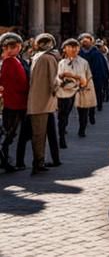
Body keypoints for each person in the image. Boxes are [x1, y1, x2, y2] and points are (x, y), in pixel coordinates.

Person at [24, 33, 61, 174]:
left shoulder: (37, 57)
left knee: (38, 134)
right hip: (43, 102)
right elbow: (54, 81)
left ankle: (39, 161)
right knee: (39, 135)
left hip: (36, 101)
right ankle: (38, 163)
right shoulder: (48, 58)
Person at [0, 33, 28, 173]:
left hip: (17, 103)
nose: (11, 49)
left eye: (14, 46)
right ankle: (5, 161)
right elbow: (18, 84)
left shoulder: (15, 60)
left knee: (11, 134)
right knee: (9, 134)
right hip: (13, 104)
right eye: (7, 47)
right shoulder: (9, 62)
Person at [56, 38, 92, 144]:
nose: (74, 49)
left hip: (81, 90)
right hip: (65, 92)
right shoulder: (61, 62)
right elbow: (57, 77)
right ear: (65, 49)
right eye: (71, 47)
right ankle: (62, 136)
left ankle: (82, 130)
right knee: (63, 115)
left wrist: (81, 81)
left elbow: (88, 76)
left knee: (83, 113)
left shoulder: (83, 62)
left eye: (76, 47)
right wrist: (63, 79)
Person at [77, 32, 109, 117]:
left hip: (95, 80)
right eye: (83, 40)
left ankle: (92, 112)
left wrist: (105, 79)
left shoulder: (97, 54)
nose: (85, 42)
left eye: (87, 40)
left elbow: (102, 67)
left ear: (91, 41)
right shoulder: (78, 54)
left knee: (94, 96)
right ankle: (84, 116)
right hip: (81, 80)